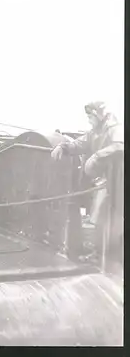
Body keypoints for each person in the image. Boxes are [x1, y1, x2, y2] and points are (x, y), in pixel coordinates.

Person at [51, 101, 123, 260]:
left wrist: (98, 156)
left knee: (108, 217)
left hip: (118, 181)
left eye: (90, 116)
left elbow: (120, 145)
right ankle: (102, 253)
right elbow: (80, 143)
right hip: (106, 182)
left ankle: (107, 256)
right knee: (100, 218)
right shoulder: (95, 132)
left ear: (99, 115)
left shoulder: (115, 128)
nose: (89, 119)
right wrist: (64, 147)